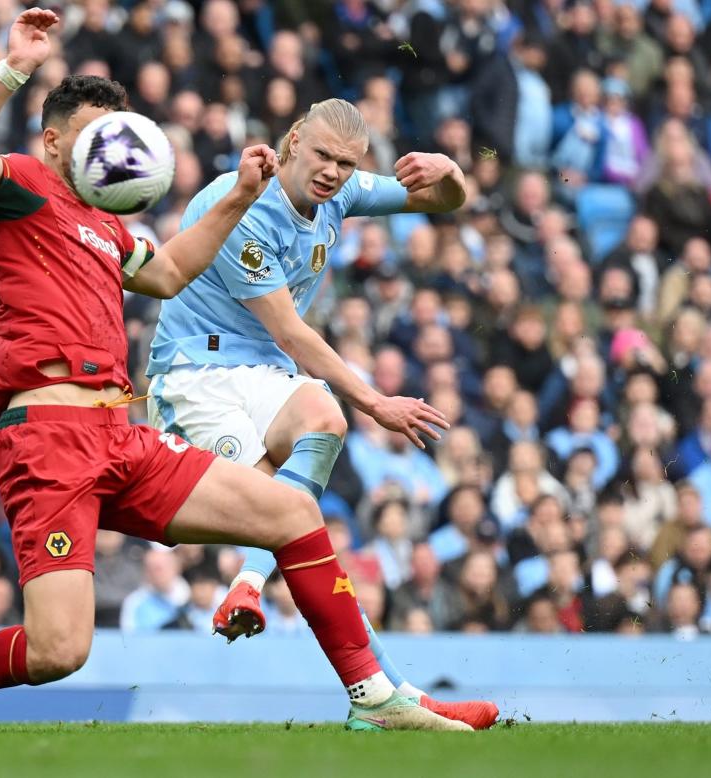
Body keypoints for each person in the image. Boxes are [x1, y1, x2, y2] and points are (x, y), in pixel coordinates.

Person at [0, 8, 469, 735]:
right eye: (97, 136)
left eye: (120, 136)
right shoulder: (23, 188)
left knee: (293, 512)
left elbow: (164, 273)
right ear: (54, 141)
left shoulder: (106, 225)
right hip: (48, 439)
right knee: (58, 651)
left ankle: (372, 696)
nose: (113, 150)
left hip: (118, 434)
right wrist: (13, 69)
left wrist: (234, 196)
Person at [145, 97, 497, 729]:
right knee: (289, 513)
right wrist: (377, 402)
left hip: (258, 371)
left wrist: (451, 172)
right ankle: (384, 692)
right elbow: (291, 333)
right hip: (197, 374)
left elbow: (444, 203)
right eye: (323, 156)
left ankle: (262, 595)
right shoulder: (245, 205)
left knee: (323, 423)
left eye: (347, 162)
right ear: (292, 141)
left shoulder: (338, 192)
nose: (334, 172)